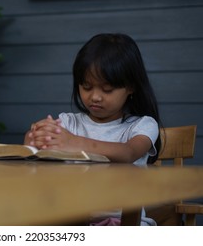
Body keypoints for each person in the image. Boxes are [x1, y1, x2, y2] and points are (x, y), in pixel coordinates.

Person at [24, 33, 162, 225]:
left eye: (107, 89)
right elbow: (44, 143)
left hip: (124, 221)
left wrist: (74, 142)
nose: (95, 97)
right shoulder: (68, 122)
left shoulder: (142, 125)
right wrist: (36, 138)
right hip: (73, 218)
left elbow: (128, 153)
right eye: (86, 86)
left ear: (130, 86)